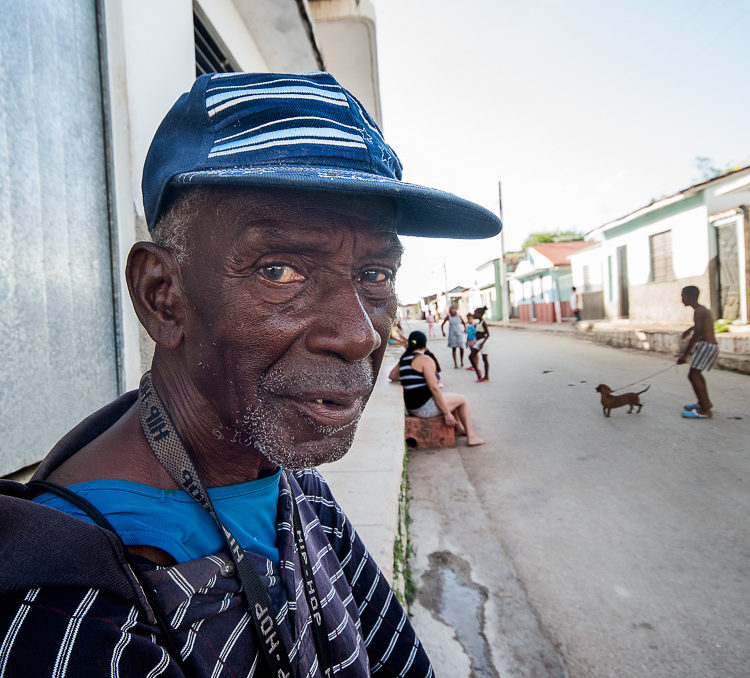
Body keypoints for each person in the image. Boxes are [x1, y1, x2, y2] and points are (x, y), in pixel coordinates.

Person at [0, 71, 501, 676]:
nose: (360, 334)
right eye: (280, 270)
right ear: (163, 297)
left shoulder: (291, 488)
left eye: (374, 275)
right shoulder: (65, 614)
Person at [389, 332, 485, 446]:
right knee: (462, 399)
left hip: (412, 407)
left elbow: (392, 376)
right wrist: (446, 414)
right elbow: (434, 388)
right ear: (424, 344)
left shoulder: (404, 360)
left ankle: (459, 429)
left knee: (452, 399)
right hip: (424, 408)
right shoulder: (425, 359)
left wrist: (409, 378)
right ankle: (472, 437)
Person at [677, 285, 718, 419]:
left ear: (690, 297)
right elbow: (699, 325)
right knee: (695, 374)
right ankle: (704, 403)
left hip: (706, 346)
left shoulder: (698, 311)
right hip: (707, 345)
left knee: (693, 375)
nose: (682, 298)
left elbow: (698, 333)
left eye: (683, 296)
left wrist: (685, 355)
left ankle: (705, 411)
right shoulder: (701, 310)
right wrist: (690, 329)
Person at [473, 306, 491, 381]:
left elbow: (488, 334)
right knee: (471, 357)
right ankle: (477, 371)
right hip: (478, 342)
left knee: (484, 358)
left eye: (476, 313)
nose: (474, 314)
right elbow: (481, 332)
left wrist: (482, 343)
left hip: (483, 342)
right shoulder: (479, 322)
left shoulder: (483, 323)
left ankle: (486, 376)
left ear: (480, 314)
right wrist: (476, 333)